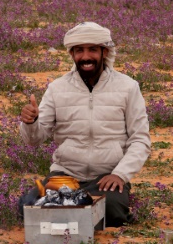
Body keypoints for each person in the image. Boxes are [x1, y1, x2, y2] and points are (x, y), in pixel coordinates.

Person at [19, 22, 151, 226]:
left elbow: (140, 140)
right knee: (27, 205)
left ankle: (70, 217)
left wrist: (120, 174)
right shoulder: (57, 88)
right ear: (72, 54)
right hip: (66, 175)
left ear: (104, 52)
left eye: (92, 50)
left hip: (106, 178)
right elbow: (34, 139)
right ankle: (75, 216)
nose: (86, 57)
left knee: (112, 210)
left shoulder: (128, 87)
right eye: (79, 50)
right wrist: (31, 122)